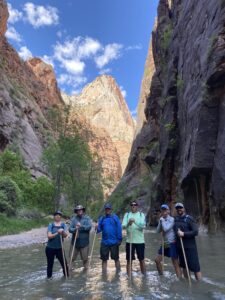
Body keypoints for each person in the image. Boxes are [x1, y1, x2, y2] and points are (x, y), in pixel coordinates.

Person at [174, 202, 202, 280]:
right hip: (180, 247)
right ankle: (187, 283)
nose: (179, 209)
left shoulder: (189, 219)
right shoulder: (175, 219)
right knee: (184, 266)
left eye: (180, 207)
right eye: (177, 208)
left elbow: (195, 232)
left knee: (195, 267)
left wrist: (184, 234)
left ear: (184, 209)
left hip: (190, 248)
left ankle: (199, 284)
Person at [155, 204, 181, 278]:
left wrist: (162, 221)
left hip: (172, 243)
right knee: (157, 260)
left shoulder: (172, 219)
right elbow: (157, 231)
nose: (164, 211)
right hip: (164, 244)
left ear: (168, 211)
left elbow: (166, 229)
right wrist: (160, 222)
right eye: (162, 210)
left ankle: (180, 280)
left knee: (175, 263)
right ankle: (161, 276)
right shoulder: (161, 219)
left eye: (165, 210)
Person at [96, 203, 122, 272]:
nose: (107, 210)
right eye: (106, 209)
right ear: (105, 210)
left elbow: (119, 228)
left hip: (114, 242)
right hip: (104, 242)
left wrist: (119, 239)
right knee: (104, 260)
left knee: (116, 258)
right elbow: (98, 230)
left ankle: (118, 273)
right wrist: (96, 227)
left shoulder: (115, 217)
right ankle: (104, 274)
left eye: (109, 209)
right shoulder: (102, 218)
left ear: (111, 209)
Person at [122, 201, 146, 275]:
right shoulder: (127, 215)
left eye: (135, 205)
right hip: (130, 241)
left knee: (141, 259)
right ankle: (129, 276)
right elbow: (123, 226)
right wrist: (129, 223)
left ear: (137, 206)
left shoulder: (141, 215)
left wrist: (134, 221)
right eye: (132, 205)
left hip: (140, 241)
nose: (133, 206)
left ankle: (144, 277)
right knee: (129, 260)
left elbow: (143, 226)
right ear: (130, 206)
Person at [45, 210, 69, 279]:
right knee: (50, 265)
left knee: (64, 265)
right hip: (50, 248)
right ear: (54, 217)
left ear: (61, 217)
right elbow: (49, 236)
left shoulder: (63, 225)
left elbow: (65, 236)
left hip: (59, 248)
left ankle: (66, 278)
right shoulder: (51, 225)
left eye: (59, 215)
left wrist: (62, 232)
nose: (58, 216)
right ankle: (49, 279)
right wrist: (57, 233)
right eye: (56, 215)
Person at [69, 205, 92, 270]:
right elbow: (70, 229)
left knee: (85, 259)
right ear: (76, 211)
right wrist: (75, 229)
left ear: (83, 210)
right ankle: (70, 272)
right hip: (75, 243)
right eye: (78, 210)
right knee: (71, 259)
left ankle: (85, 274)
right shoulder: (73, 219)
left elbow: (89, 227)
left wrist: (81, 226)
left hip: (84, 243)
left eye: (81, 210)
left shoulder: (87, 218)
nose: (79, 211)